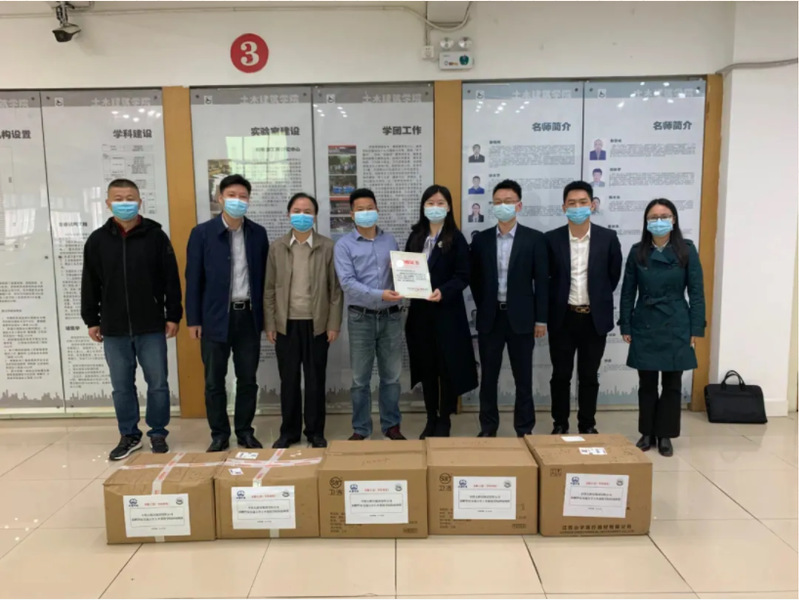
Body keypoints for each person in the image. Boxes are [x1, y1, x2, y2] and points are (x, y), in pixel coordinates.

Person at [81, 178, 182, 460]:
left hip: (150, 325)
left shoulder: (156, 236)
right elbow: (89, 282)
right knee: (122, 386)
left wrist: (173, 315)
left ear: (139, 202)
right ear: (108, 203)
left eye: (130, 198)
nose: (124, 203)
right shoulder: (98, 240)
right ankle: (129, 434)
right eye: (118, 198)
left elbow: (171, 280)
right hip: (113, 328)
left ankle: (158, 432)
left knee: (158, 383)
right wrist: (91, 319)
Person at [186, 174, 269, 452]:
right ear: (220, 198)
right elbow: (193, 279)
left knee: (248, 379)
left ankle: (245, 431)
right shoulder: (202, 233)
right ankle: (219, 434)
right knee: (214, 380)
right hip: (214, 317)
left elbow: (265, 280)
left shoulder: (258, 234)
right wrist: (194, 319)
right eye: (231, 195)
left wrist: (265, 318)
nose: (237, 200)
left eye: (243, 196)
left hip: (248, 316)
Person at [619, 198, 705, 457]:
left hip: (676, 321)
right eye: (653, 217)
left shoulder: (686, 250)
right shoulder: (637, 252)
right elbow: (627, 292)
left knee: (672, 383)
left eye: (664, 216)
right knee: (646, 382)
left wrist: (696, 328)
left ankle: (665, 434)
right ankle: (647, 432)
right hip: (645, 321)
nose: (659, 221)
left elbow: (697, 293)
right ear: (646, 222)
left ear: (674, 220)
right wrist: (626, 325)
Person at [470, 179, 548, 437]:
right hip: (491, 318)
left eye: (508, 201)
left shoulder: (535, 239)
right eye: (498, 202)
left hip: (522, 320)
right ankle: (488, 427)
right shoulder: (481, 240)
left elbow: (542, 282)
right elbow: (476, 280)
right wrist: (484, 305)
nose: (503, 206)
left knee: (523, 379)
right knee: (488, 378)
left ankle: (524, 429)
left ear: (519, 205)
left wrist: (541, 320)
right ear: (492, 206)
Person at [265, 193, 343, 449]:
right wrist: (270, 323)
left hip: (317, 324)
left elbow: (335, 291)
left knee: (315, 380)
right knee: (288, 381)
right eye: (297, 211)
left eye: (307, 211)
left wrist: (333, 324)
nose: (302, 216)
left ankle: (315, 431)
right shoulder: (277, 247)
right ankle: (288, 432)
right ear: (288, 214)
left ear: (315, 216)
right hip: (286, 324)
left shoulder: (327, 247)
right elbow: (269, 289)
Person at [546, 181, 622, 435]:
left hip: (594, 319)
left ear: (592, 205)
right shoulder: (551, 239)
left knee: (589, 375)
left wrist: (596, 299)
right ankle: (560, 423)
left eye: (582, 202)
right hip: (563, 318)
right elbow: (547, 278)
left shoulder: (608, 238)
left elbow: (612, 277)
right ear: (563, 207)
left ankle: (587, 424)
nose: (577, 207)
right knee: (561, 375)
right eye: (572, 203)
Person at [404, 185, 478, 438]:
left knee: (447, 368)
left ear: (448, 207)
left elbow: (463, 276)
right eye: (430, 203)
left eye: (440, 203)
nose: (435, 207)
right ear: (423, 207)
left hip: (447, 314)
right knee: (427, 368)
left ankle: (444, 419)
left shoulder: (456, 238)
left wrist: (443, 291)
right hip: (420, 315)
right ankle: (430, 418)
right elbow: (406, 269)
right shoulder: (416, 236)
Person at [333, 188, 406, 441]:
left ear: (377, 210)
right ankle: (361, 428)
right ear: (352, 214)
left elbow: (402, 275)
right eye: (360, 209)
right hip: (360, 318)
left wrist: (403, 277)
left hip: (391, 317)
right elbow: (347, 283)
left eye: (370, 208)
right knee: (359, 379)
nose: (366, 213)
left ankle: (391, 425)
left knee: (392, 377)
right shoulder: (344, 245)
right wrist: (380, 294)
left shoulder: (390, 241)